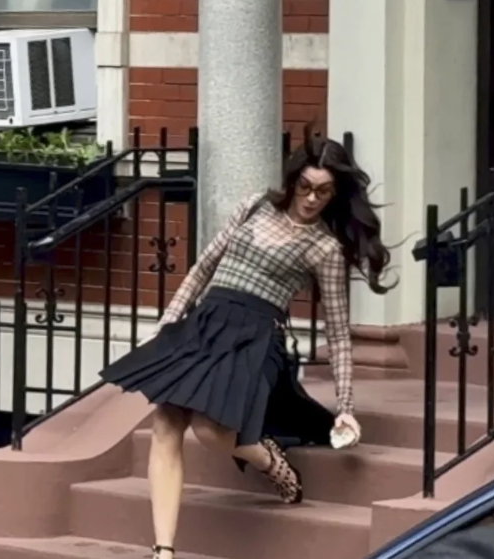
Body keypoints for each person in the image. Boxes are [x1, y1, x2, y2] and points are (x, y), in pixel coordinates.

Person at [100, 123, 395, 559]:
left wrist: (346, 406)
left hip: (255, 338)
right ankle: (163, 551)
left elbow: (337, 331)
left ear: (335, 195)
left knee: (210, 430)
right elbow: (202, 269)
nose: (311, 198)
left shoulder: (325, 248)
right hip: (206, 323)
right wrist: (167, 323)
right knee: (166, 422)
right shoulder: (254, 205)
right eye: (305, 186)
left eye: (324, 191)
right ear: (292, 180)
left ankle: (270, 461)